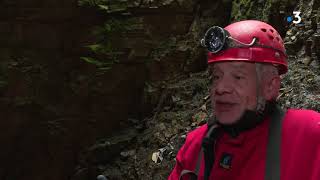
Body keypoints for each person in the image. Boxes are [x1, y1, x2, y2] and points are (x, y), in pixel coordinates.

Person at [168, 20, 320, 180]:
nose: (220, 88)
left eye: (237, 77)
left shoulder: (309, 136)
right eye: (217, 76)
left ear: (270, 86)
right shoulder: (195, 146)